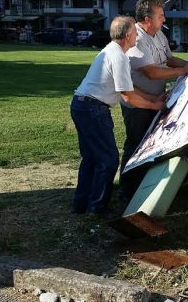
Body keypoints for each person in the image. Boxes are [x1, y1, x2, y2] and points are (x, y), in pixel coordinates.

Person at [70, 16, 164, 215]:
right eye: (135, 32)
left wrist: (154, 99)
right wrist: (153, 106)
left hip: (81, 105)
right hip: (93, 109)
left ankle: (81, 204)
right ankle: (97, 207)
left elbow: (129, 90)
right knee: (108, 159)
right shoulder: (119, 56)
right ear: (128, 35)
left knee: (91, 158)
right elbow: (128, 98)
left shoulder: (111, 50)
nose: (137, 35)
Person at [119, 0, 188, 202]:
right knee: (136, 143)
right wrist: (184, 70)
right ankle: (127, 191)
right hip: (137, 103)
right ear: (147, 19)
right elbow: (151, 72)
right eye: (160, 15)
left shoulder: (158, 34)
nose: (164, 19)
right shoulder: (136, 38)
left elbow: (169, 59)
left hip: (155, 100)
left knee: (150, 143)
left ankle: (142, 186)